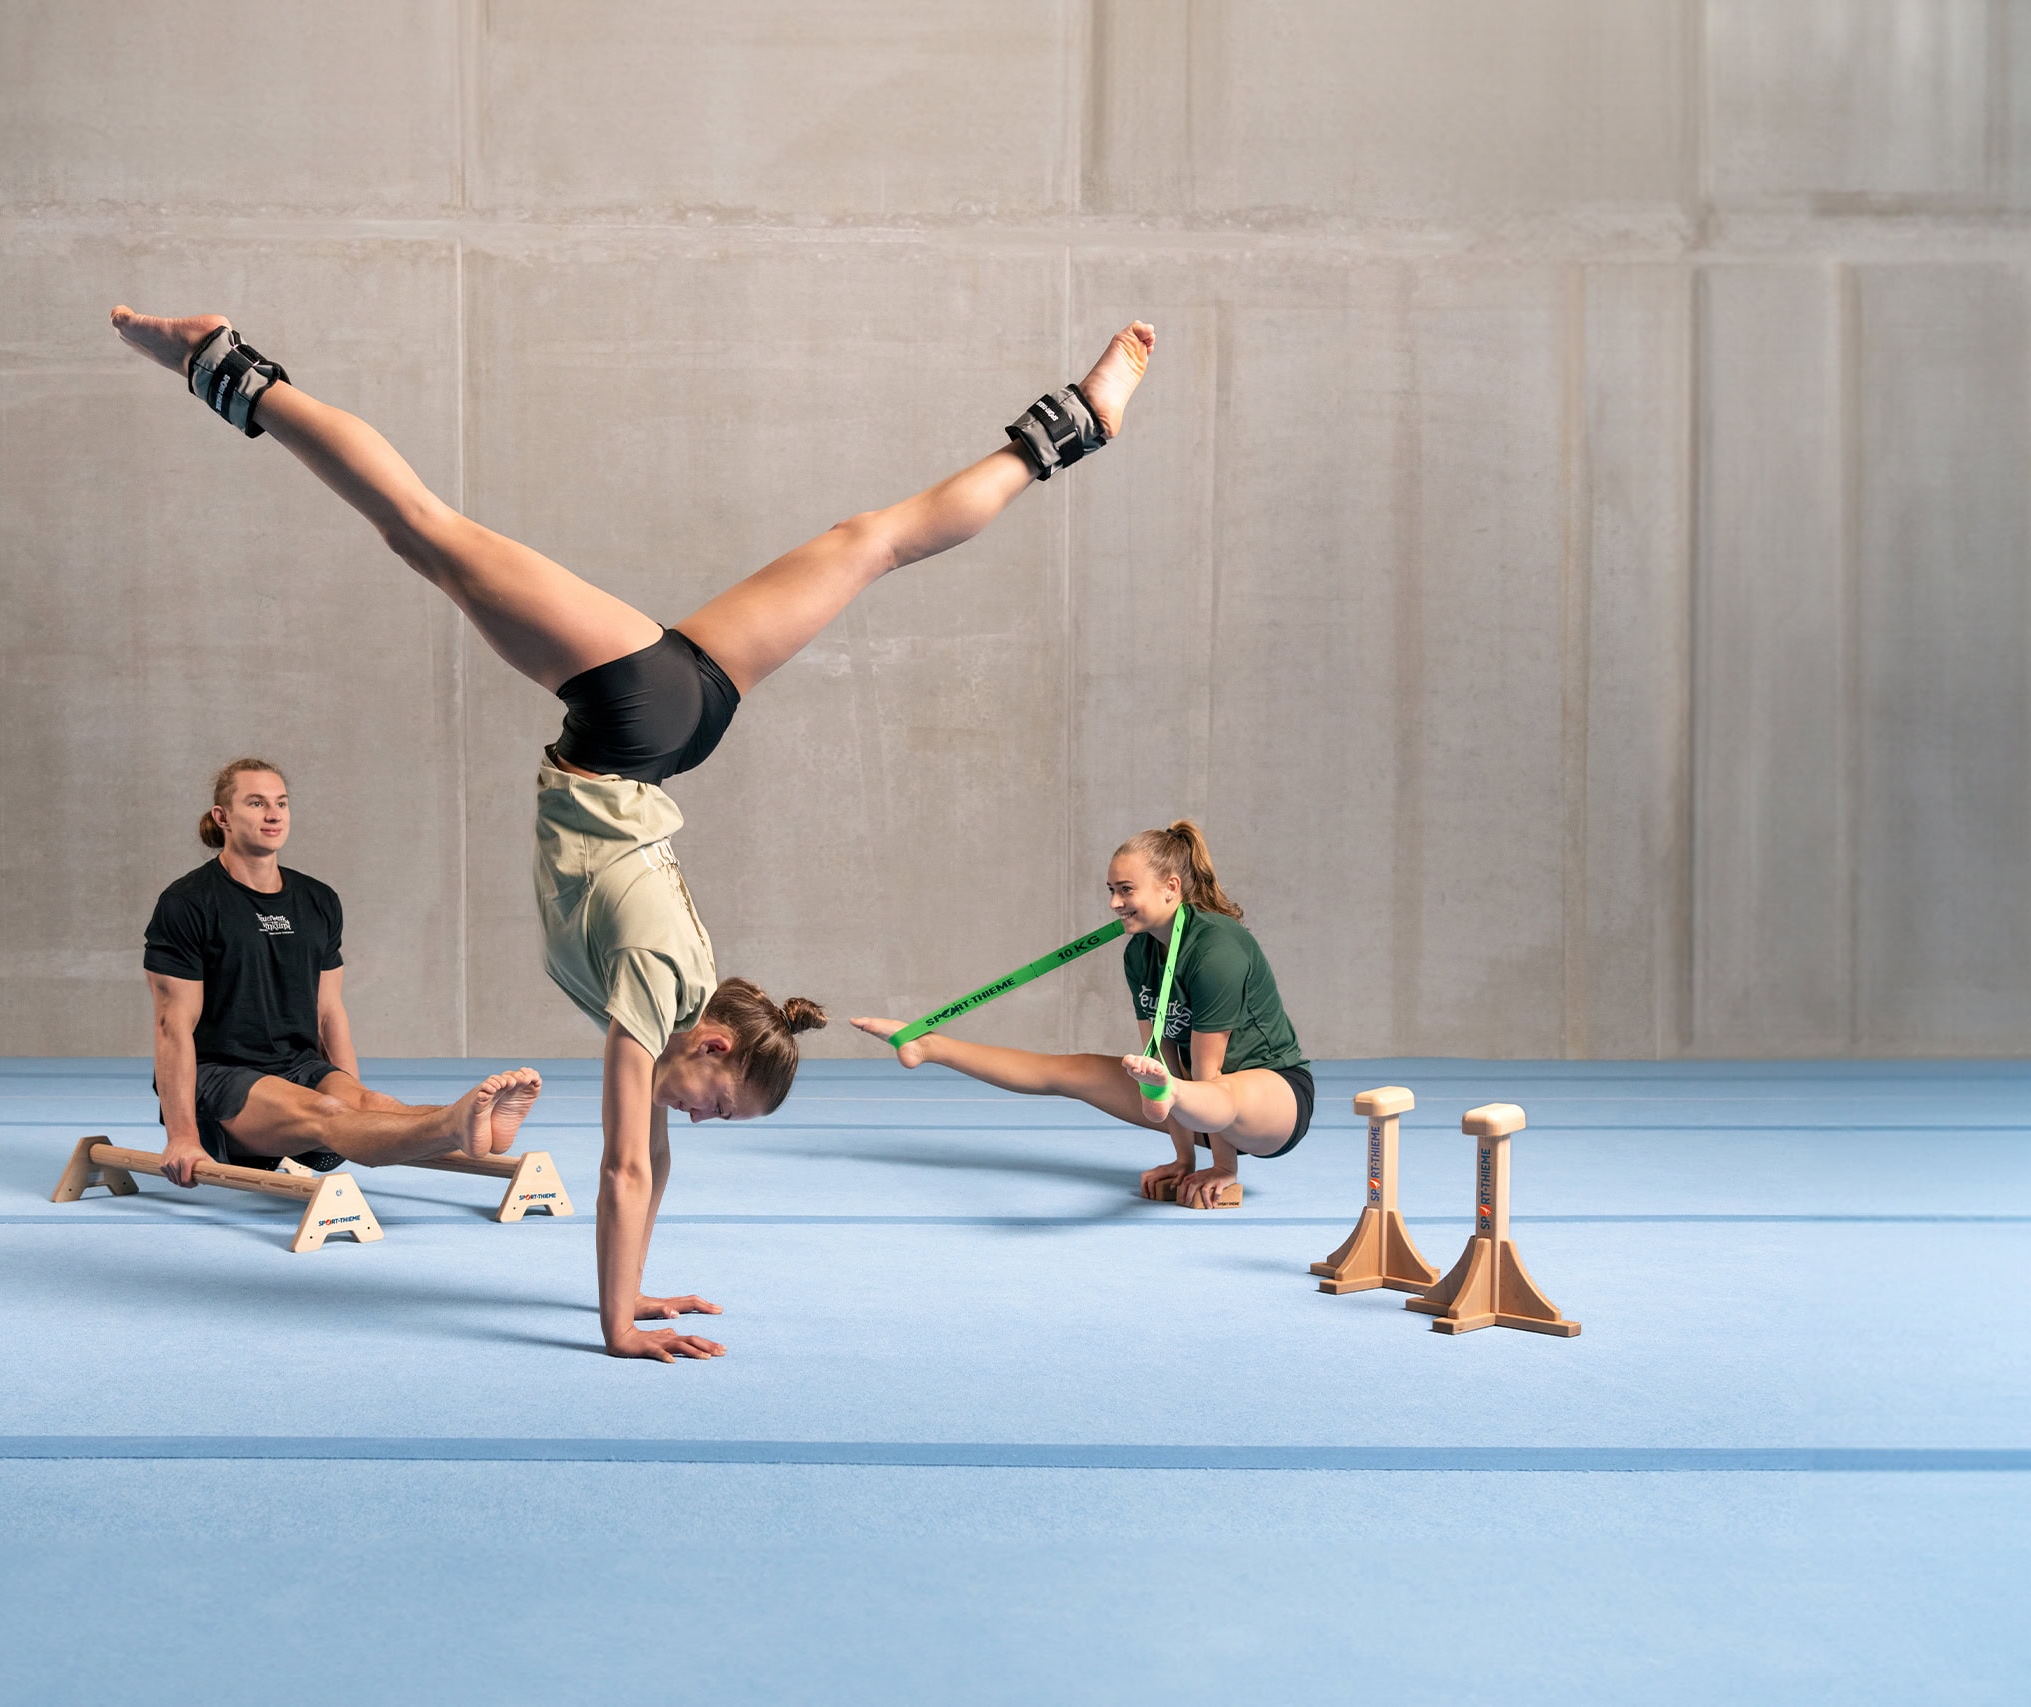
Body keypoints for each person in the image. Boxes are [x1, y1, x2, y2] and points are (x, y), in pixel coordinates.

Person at [112, 301, 1155, 1357]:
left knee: (873, 542)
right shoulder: (658, 991)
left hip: (679, 722)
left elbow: (646, 1161)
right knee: (421, 529)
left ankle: (1076, 423)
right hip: (626, 720)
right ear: (709, 1044)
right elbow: (624, 1167)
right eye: (718, 1103)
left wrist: (634, 1294)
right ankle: (218, 361)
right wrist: (615, 1327)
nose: (696, 1118)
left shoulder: (672, 1012)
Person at [851, 820, 1313, 1209]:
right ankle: (928, 1045)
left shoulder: (1217, 949)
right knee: (1071, 1070)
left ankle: (1211, 1143)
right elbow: (1165, 1061)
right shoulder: (1140, 954)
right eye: (1111, 891)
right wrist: (1183, 1162)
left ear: (1171, 888)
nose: (1114, 903)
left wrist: (1222, 1168)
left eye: (1126, 890)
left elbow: (1208, 1076)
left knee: (1214, 1088)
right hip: (1188, 1101)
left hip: (1271, 1101)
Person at [145, 757, 544, 1189]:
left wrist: (363, 1112)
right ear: (222, 817)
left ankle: (472, 1122)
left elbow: (329, 1011)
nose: (274, 814)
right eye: (256, 803)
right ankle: (455, 1123)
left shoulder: (317, 900)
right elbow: (172, 1026)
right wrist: (182, 1135)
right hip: (221, 1079)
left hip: (298, 1066)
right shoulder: (188, 902)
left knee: (375, 1101)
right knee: (330, 1114)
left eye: (281, 802)